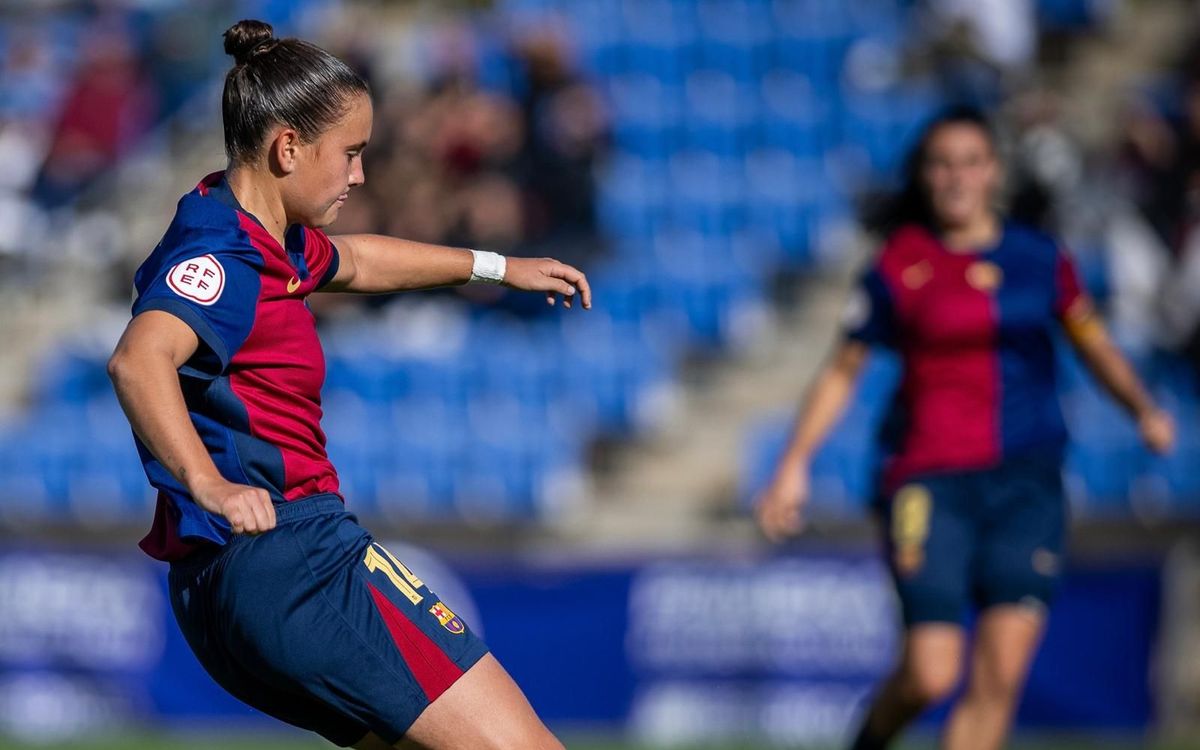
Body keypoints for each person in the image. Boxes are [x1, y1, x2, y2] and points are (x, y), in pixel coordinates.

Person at [107, 20, 589, 750]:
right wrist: (207, 483)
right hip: (296, 558)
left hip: (225, 587)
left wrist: (497, 266)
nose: (361, 175)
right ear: (288, 147)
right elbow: (138, 360)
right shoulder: (224, 254)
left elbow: (359, 262)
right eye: (351, 154)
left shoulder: (256, 231)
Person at [755, 106, 1174, 750]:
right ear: (924, 175)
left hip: (1026, 483)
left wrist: (1141, 408)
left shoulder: (1040, 260)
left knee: (998, 676)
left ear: (994, 172)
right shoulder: (900, 265)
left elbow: (1092, 342)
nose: (956, 177)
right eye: (942, 164)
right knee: (930, 671)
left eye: (970, 162)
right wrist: (794, 463)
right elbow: (842, 371)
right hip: (929, 483)